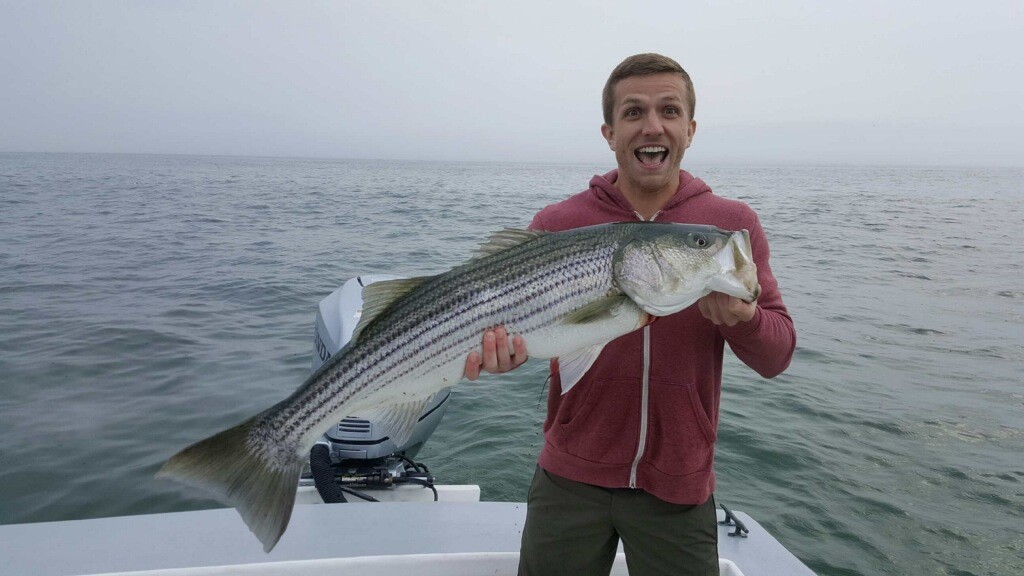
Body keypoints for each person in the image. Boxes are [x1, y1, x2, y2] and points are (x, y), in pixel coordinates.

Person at [464, 53, 796, 576]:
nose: (652, 125)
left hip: (678, 485)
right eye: (633, 112)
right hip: (568, 479)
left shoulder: (729, 226)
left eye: (669, 110)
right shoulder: (558, 223)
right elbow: (524, 334)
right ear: (610, 132)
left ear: (690, 128)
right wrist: (499, 357)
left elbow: (778, 352)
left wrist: (745, 320)